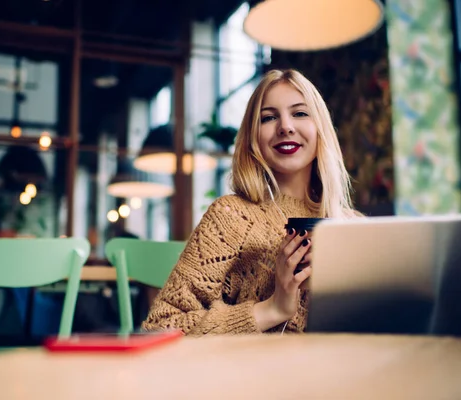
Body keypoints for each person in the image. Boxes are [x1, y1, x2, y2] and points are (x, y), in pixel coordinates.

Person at [142, 69, 358, 335]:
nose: (286, 127)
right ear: (253, 137)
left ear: (320, 128)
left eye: (300, 113)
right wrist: (273, 308)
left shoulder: (355, 227)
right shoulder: (231, 217)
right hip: (256, 374)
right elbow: (162, 325)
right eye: (268, 118)